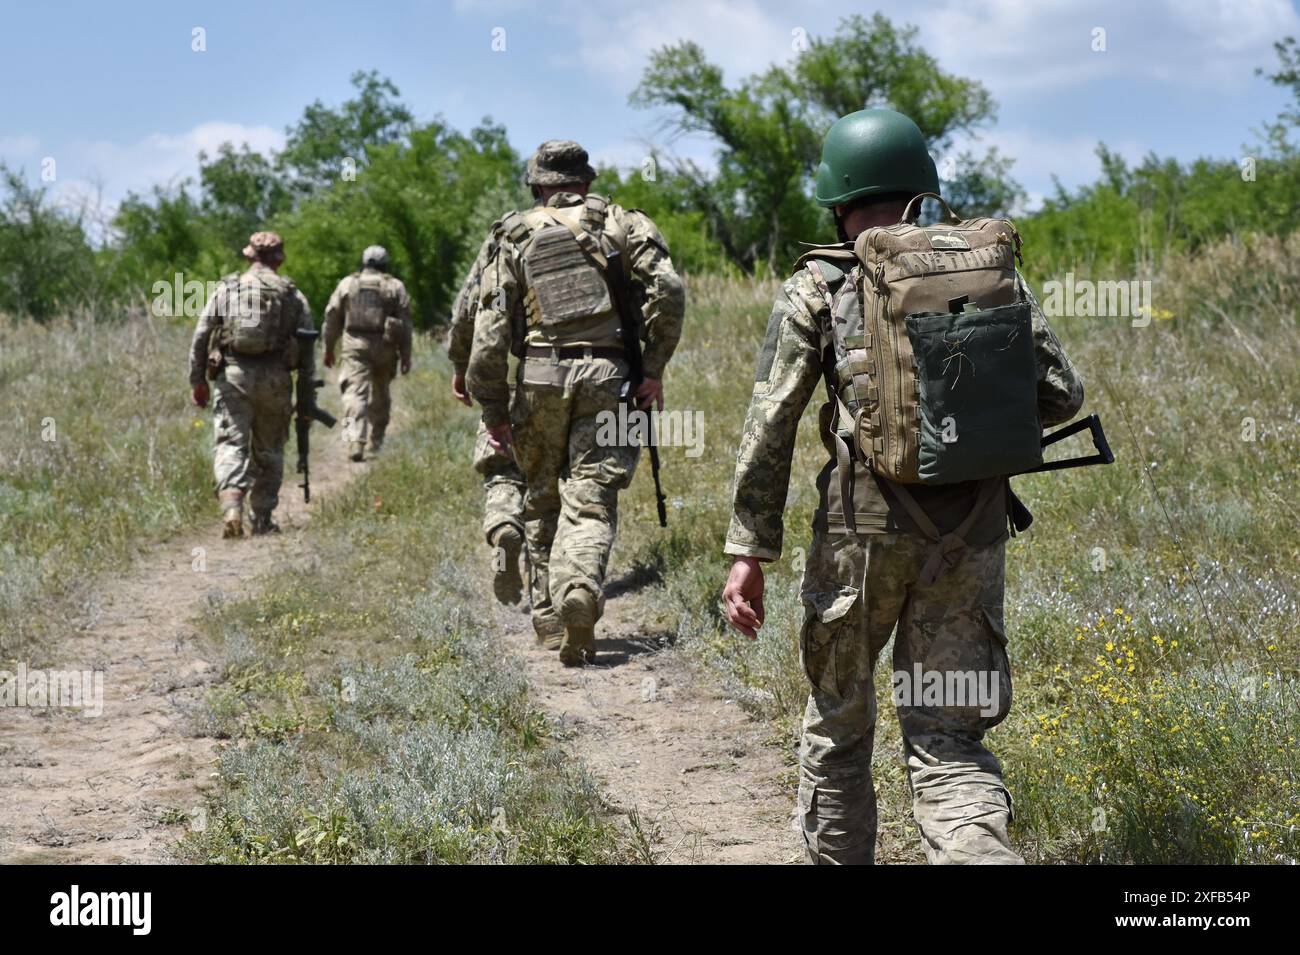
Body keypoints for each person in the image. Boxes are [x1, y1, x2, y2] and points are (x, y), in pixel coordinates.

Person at [721, 108, 1085, 864]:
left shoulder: (820, 283)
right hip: (972, 531)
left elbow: (770, 425)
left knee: (839, 727)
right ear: (924, 182)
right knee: (950, 739)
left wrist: (747, 551)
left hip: (859, 540)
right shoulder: (983, 265)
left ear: (837, 197)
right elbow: (1061, 393)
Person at [467, 140, 685, 665]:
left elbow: (489, 333)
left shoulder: (512, 234)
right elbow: (669, 291)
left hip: (540, 374)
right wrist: (652, 369)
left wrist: (495, 412)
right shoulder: (626, 224)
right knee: (591, 496)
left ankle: (546, 616)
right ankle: (579, 589)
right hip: (611, 375)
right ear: (584, 182)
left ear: (539, 185)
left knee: (540, 495)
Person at [188, 231, 317, 538]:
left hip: (233, 376)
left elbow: (201, 335)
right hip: (276, 379)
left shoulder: (228, 288)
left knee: (231, 443)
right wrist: (307, 395)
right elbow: (308, 345)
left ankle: (232, 507)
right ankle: (262, 518)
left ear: (249, 256)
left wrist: (197, 381)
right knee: (270, 449)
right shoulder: (292, 295)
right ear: (280, 258)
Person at [448, 234, 528, 605]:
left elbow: (469, 306)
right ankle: (563, 582)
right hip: (600, 375)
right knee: (573, 482)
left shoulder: (510, 237)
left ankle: (504, 526)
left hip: (521, 374)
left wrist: (461, 364)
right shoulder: (608, 227)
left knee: (503, 468)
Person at [323, 245, 412, 462]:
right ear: (385, 265)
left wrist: (328, 348)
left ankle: (353, 441)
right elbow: (406, 323)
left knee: (353, 394)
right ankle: (377, 440)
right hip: (385, 346)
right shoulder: (395, 286)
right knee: (381, 393)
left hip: (354, 345)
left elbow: (332, 317)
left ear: (364, 263)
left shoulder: (348, 283)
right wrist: (406, 355)